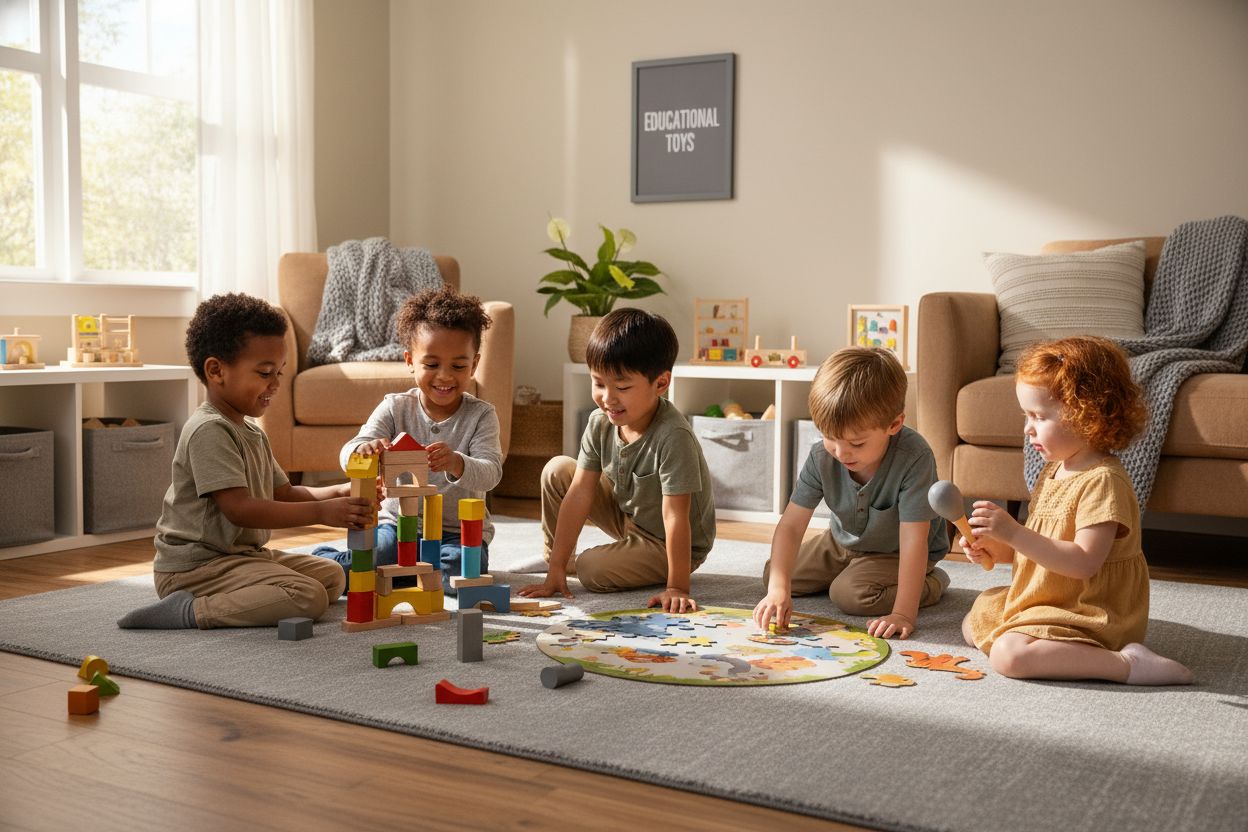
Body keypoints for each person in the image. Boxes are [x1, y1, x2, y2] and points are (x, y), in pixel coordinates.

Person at [117, 293, 374, 630]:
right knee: (306, 596)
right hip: (195, 569)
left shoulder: (251, 431)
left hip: (239, 557)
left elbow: (284, 494)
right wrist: (322, 514)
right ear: (216, 371)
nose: (276, 384)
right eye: (265, 372)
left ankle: (244, 596)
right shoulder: (208, 430)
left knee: (331, 576)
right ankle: (188, 611)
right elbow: (240, 509)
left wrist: (341, 493)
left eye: (279, 372)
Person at [961, 336, 1193, 684]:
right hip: (1051, 598)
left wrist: (1014, 531)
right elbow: (1040, 550)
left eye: (1039, 416)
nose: (1028, 428)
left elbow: (1083, 562)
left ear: (1089, 415)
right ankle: (1053, 644)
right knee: (973, 621)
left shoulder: (1103, 481)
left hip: (1091, 609)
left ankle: (1126, 664)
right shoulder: (1054, 470)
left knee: (1010, 656)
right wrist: (996, 548)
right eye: (1027, 415)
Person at [518, 308, 716, 612]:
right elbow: (580, 491)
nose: (607, 398)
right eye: (599, 383)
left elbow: (676, 517)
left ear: (661, 384)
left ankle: (580, 563)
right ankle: (557, 562)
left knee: (591, 569)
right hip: (628, 519)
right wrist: (556, 566)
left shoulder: (673, 435)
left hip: (668, 543)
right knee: (557, 470)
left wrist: (676, 587)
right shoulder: (600, 422)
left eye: (622, 387)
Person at [312, 286, 502, 593]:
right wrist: (365, 450)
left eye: (458, 366)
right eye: (431, 365)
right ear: (410, 360)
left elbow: (491, 472)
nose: (444, 376)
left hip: (458, 532)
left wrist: (457, 462)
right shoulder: (395, 406)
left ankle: (402, 573)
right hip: (399, 525)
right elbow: (348, 455)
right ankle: (329, 560)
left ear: (474, 364)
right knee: (371, 560)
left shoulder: (481, 415)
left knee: (457, 577)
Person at [753, 347, 948, 640]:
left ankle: (931, 581)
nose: (841, 452)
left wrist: (903, 613)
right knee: (775, 575)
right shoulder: (822, 455)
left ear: (894, 424)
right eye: (830, 437)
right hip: (842, 541)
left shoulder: (914, 456)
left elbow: (913, 540)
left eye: (856, 443)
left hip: (896, 551)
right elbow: (792, 525)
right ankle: (848, 570)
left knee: (850, 595)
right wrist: (778, 591)